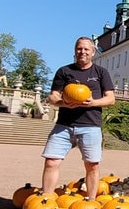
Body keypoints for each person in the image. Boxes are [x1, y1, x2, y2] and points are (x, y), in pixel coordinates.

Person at [40, 36, 115, 200]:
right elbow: (52, 97)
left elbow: (110, 99)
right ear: (75, 51)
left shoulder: (101, 73)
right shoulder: (64, 71)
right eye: (79, 49)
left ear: (93, 52)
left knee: (92, 166)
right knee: (51, 162)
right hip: (64, 125)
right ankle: (45, 200)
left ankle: (91, 201)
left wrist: (93, 102)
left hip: (91, 125)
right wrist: (64, 103)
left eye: (86, 49)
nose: (82, 52)